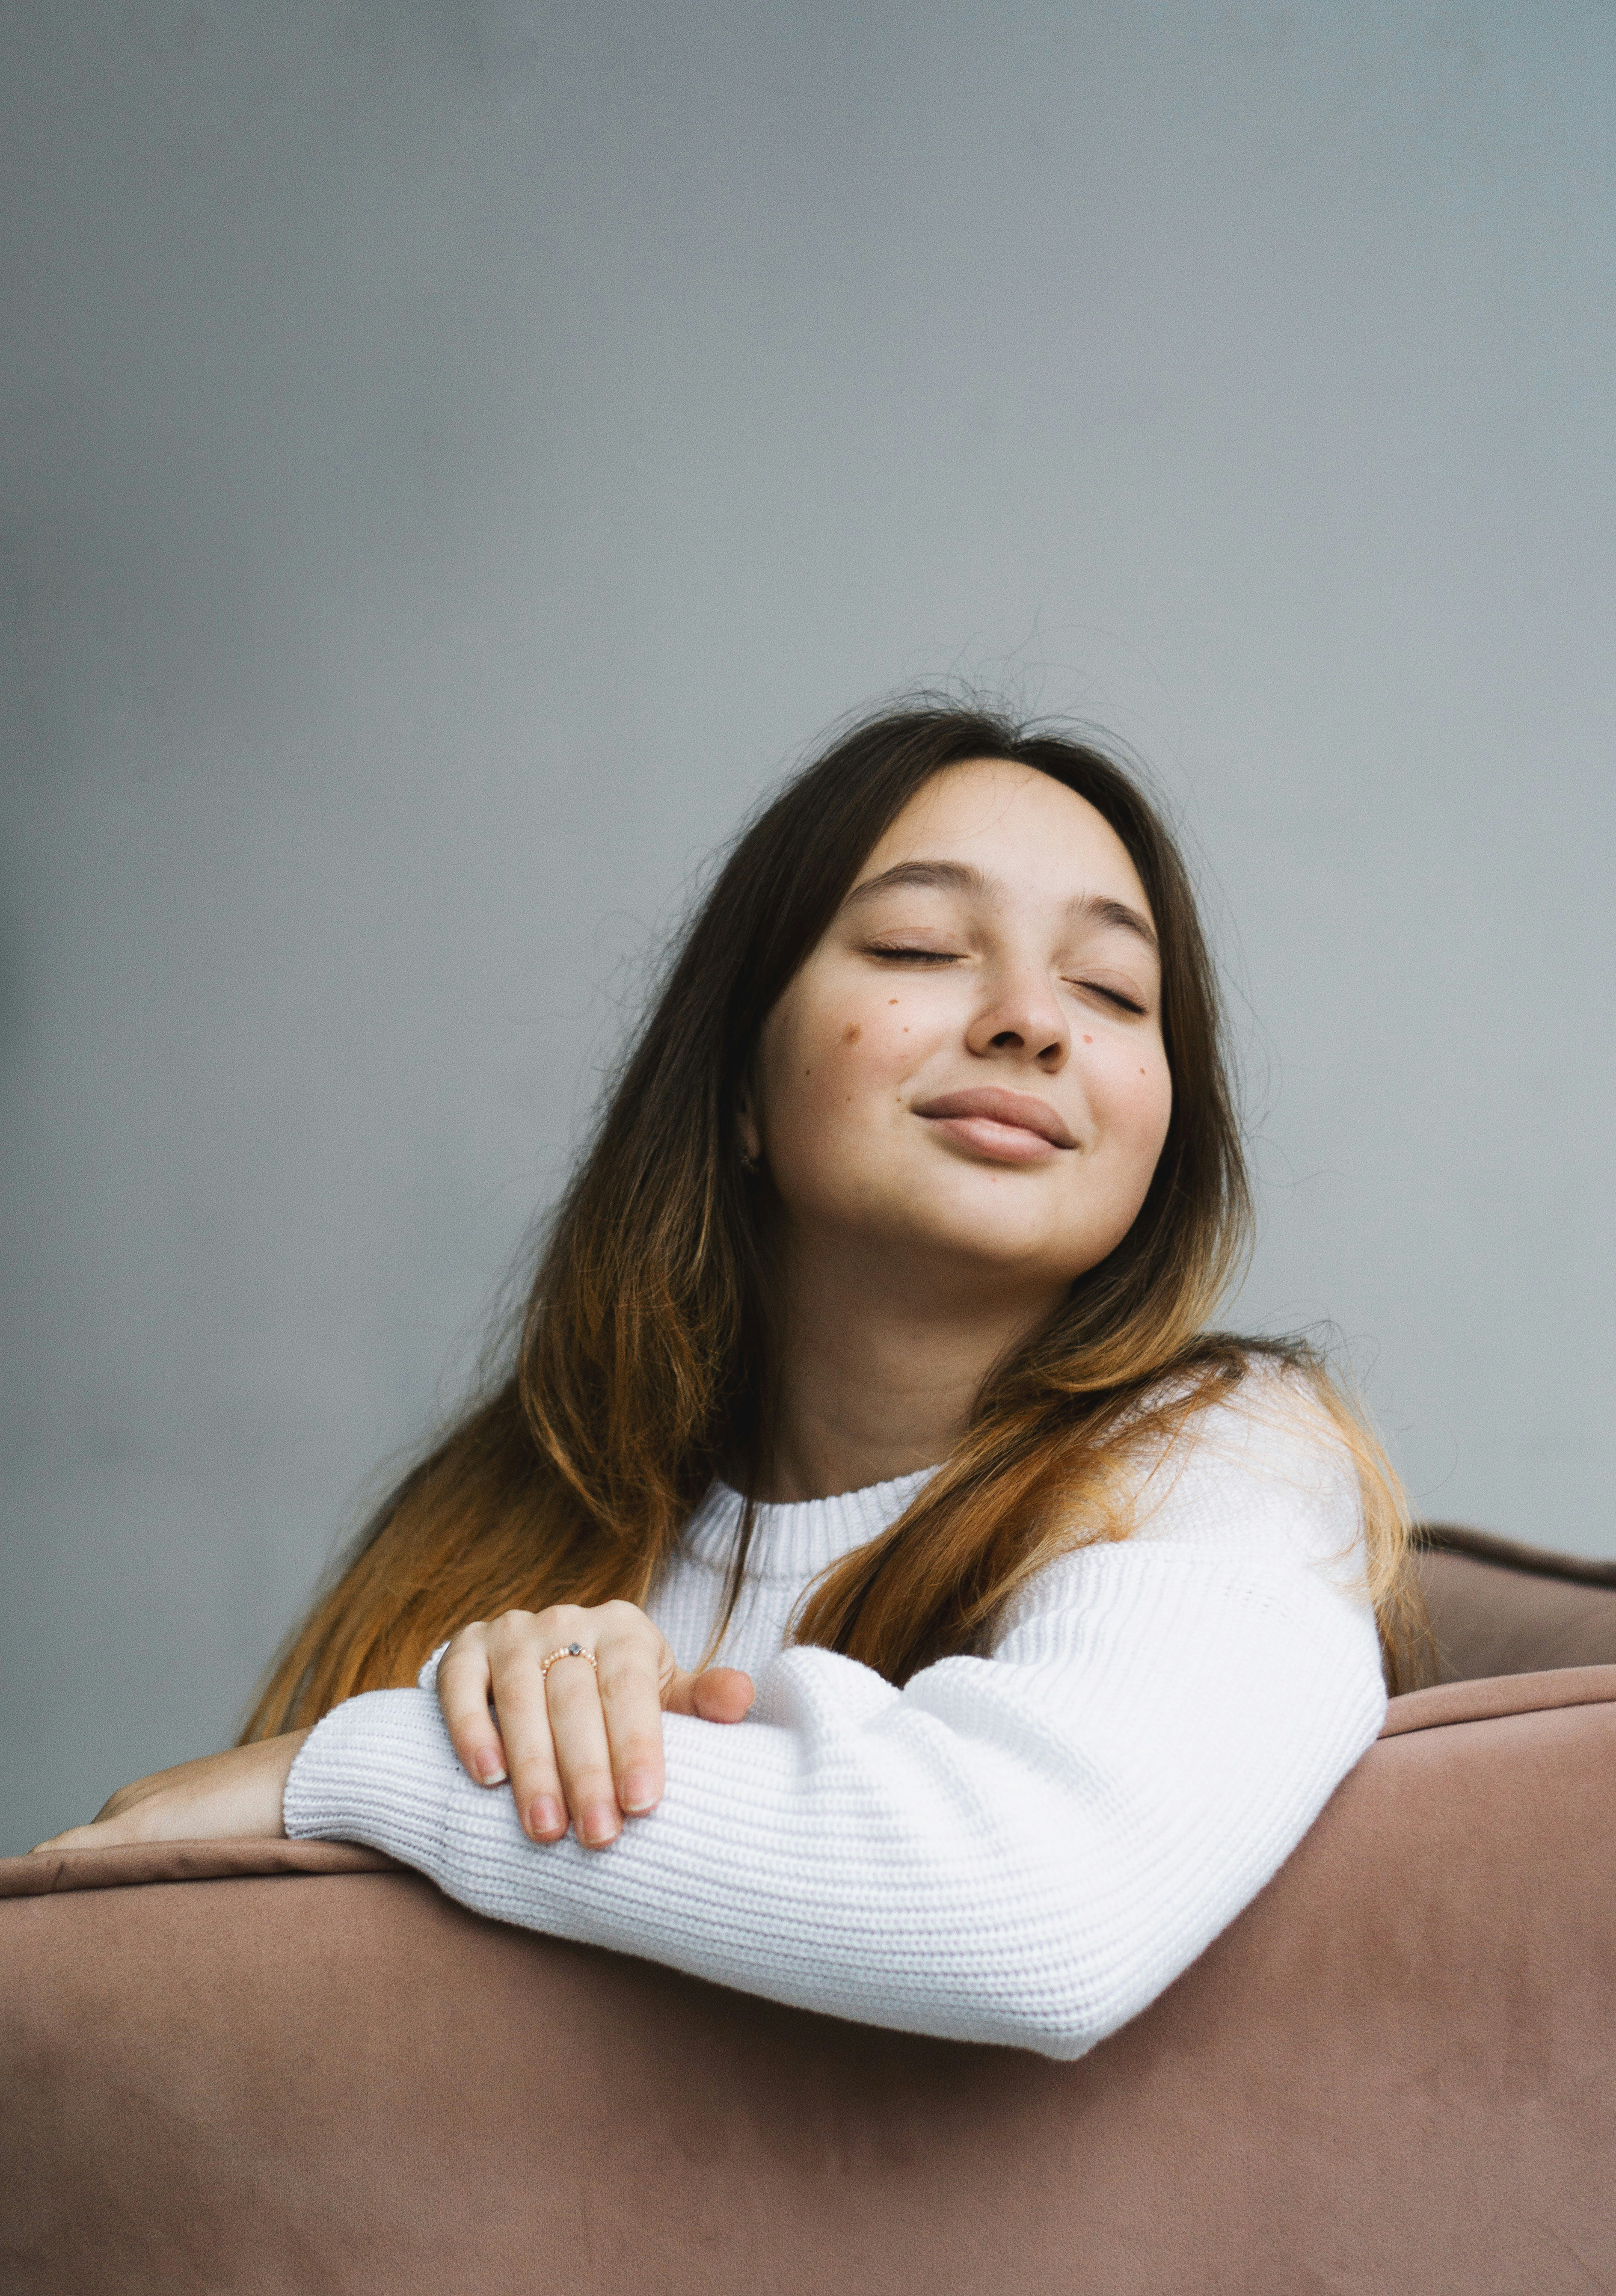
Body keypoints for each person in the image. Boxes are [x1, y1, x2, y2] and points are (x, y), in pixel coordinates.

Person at [36, 699, 1423, 2058]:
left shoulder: (1234, 1463)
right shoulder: (509, 1510)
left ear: (1163, 1140)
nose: (1030, 1022)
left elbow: (1037, 1916)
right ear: (742, 1087)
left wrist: (366, 1766)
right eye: (923, 947)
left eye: (1113, 991)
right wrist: (507, 1711)